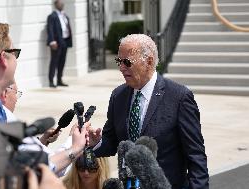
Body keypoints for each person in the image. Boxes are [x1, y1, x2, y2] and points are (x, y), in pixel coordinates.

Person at [0, 21, 89, 175]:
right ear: (3, 59)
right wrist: (75, 149)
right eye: (15, 53)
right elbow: (24, 169)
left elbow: (40, 159)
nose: (17, 60)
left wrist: (74, 144)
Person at [89, 34, 209, 189]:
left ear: (149, 61)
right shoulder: (118, 95)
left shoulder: (179, 97)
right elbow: (111, 141)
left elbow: (196, 155)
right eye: (119, 61)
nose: (121, 68)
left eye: (127, 62)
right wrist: (95, 143)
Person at [47, 0, 72, 88]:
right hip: (56, 42)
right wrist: (52, 41)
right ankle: (51, 81)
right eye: (60, 3)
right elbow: (50, 29)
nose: (62, 4)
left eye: (62, 3)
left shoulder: (65, 15)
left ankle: (59, 80)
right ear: (56, 4)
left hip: (65, 41)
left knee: (62, 61)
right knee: (54, 61)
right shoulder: (52, 16)